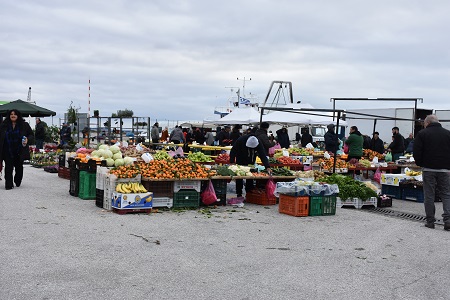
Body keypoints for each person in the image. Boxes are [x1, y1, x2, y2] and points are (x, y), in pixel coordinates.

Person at [413, 115, 450, 231]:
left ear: (427, 123)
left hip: (428, 169)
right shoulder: (448, 133)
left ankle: (430, 221)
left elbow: (417, 151)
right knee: (446, 194)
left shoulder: (422, 134)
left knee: (429, 195)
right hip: (445, 170)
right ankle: (448, 221)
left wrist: (421, 163)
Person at [0, 109, 34, 190]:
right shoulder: (3, 125)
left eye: (15, 114)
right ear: (9, 115)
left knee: (19, 167)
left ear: (18, 116)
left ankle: (17, 180)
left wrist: (27, 139)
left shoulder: (24, 125)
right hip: (7, 150)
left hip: (19, 150)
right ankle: (8, 184)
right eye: (11, 114)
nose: (13, 115)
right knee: (8, 167)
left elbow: (31, 135)